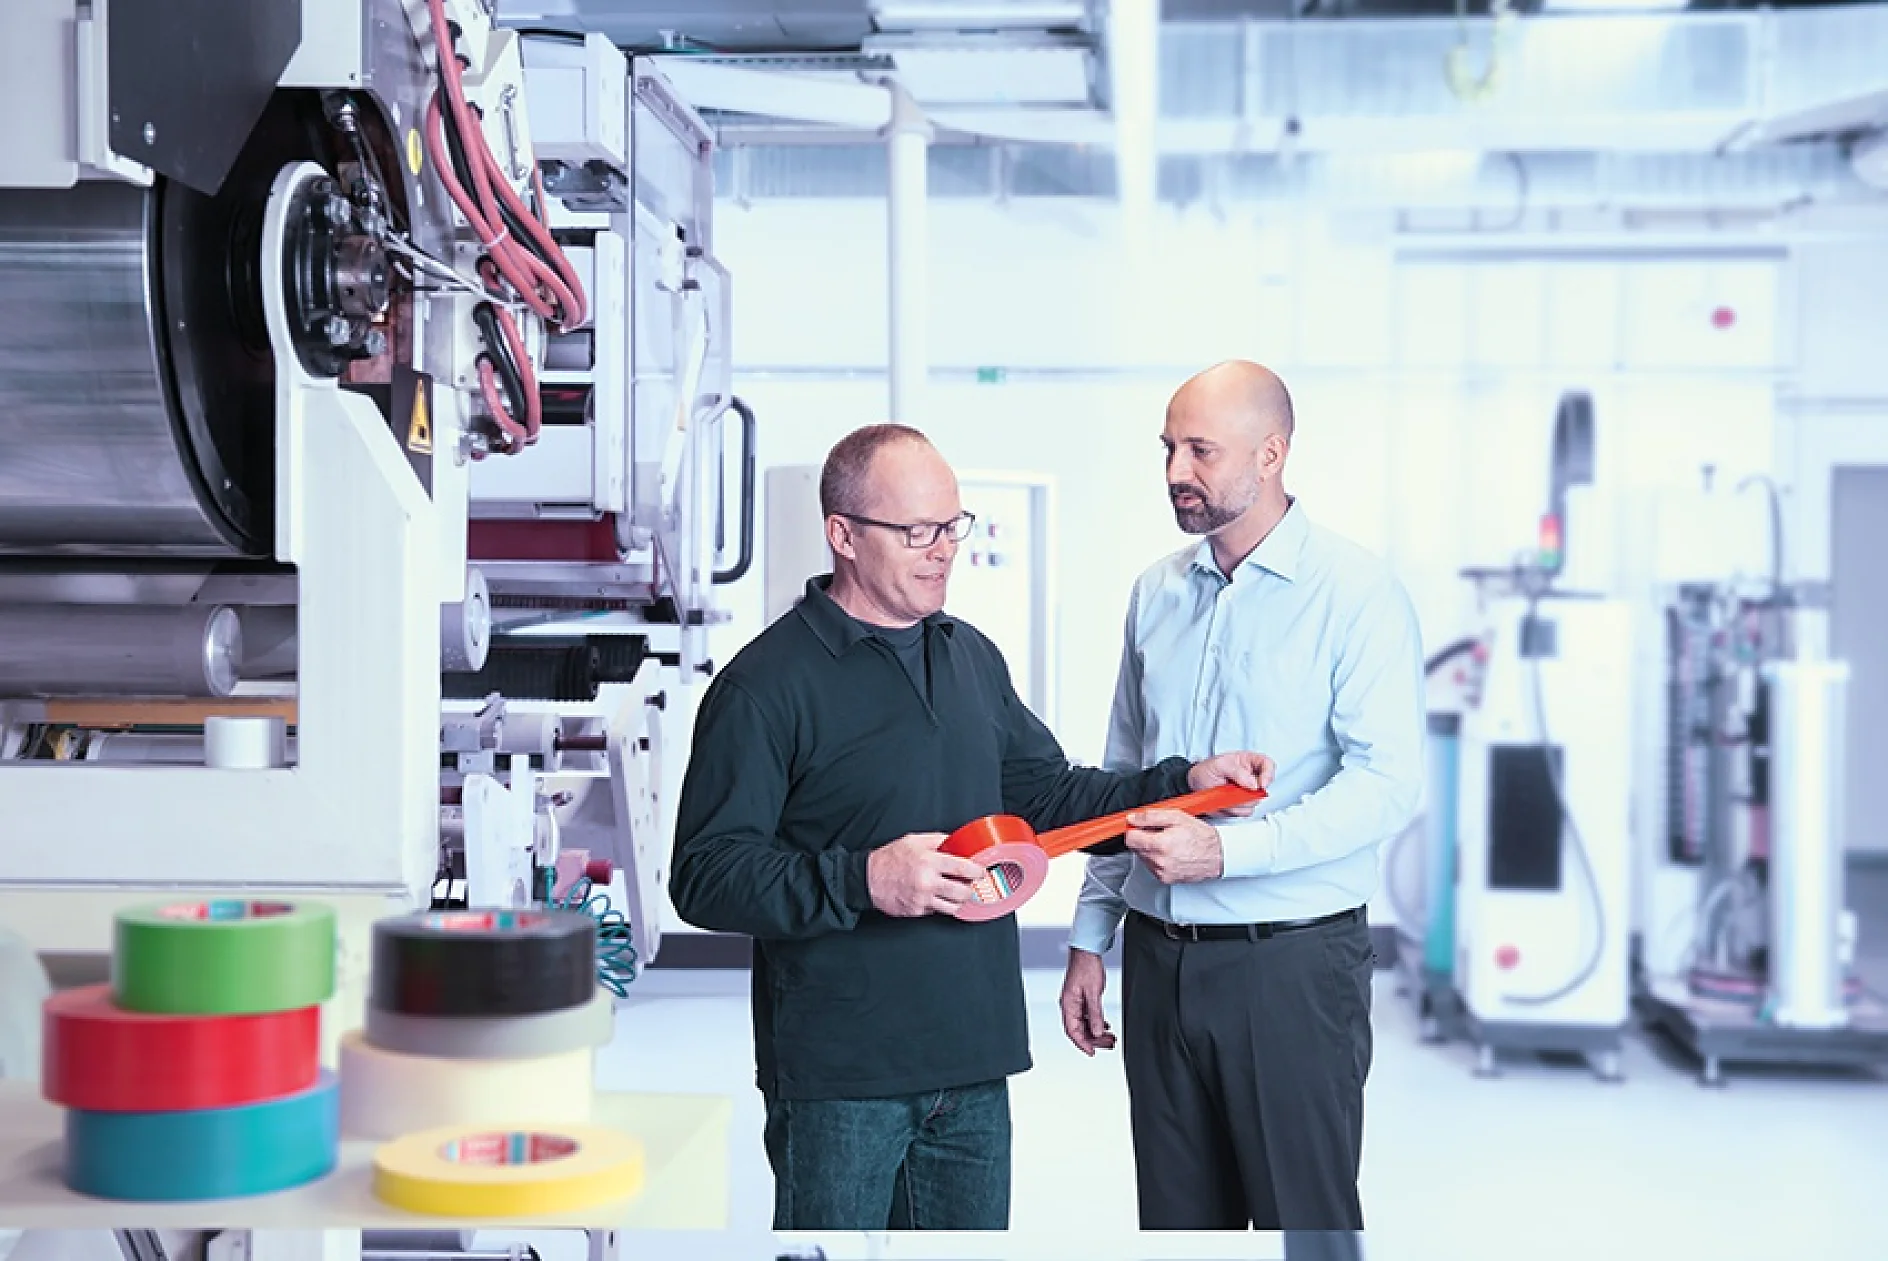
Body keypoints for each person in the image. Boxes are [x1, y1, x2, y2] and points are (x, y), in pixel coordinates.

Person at [669, 422, 1276, 1232]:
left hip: (972, 1061)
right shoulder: (765, 686)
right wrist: (866, 877)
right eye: (917, 532)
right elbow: (706, 873)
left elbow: (1051, 798)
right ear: (842, 535)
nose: (942, 551)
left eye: (953, 527)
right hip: (841, 1075)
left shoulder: (969, 659)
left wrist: (1181, 782)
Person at [1059, 361, 1425, 1233]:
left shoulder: (1355, 593)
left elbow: (1387, 784)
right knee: (1182, 1231)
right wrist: (1089, 937)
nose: (1176, 471)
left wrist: (1226, 852)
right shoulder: (1156, 592)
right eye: (1168, 449)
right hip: (1157, 960)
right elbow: (1127, 776)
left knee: (1309, 1230)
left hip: (1289, 967)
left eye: (1200, 450)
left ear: (1271, 453)